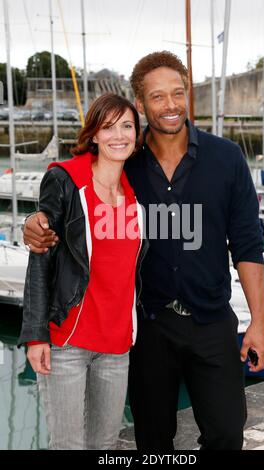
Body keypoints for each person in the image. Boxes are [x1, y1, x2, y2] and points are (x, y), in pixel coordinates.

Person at [23, 51, 264, 451]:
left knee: (226, 434)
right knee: (152, 441)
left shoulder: (226, 159)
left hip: (211, 323)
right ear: (140, 104)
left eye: (177, 93)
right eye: (157, 97)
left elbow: (247, 244)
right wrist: (33, 223)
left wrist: (260, 321)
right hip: (148, 328)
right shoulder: (125, 160)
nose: (170, 105)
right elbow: (68, 190)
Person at [18, 93, 148, 450]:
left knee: (104, 445)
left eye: (127, 126)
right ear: (93, 134)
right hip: (67, 341)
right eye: (108, 127)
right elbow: (40, 255)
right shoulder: (66, 180)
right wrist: (35, 335)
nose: (118, 135)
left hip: (117, 345)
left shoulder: (138, 194)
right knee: (69, 446)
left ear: (137, 135)